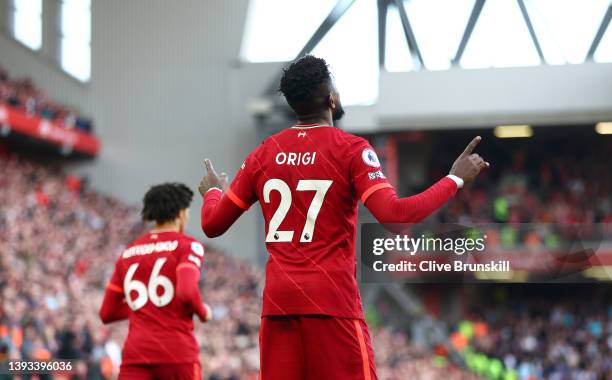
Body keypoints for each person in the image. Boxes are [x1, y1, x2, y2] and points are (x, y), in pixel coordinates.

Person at [199, 55, 488, 379]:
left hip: (279, 306)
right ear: (331, 99)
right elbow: (395, 217)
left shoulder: (263, 154)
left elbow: (212, 224)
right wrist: (454, 179)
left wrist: (213, 192)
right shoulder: (350, 149)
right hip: (331, 304)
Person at [99, 183, 211, 380]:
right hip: (176, 354)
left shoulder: (128, 253)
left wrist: (146, 305)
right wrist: (203, 312)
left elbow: (107, 313)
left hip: (136, 356)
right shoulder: (188, 246)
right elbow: (187, 292)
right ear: (182, 213)